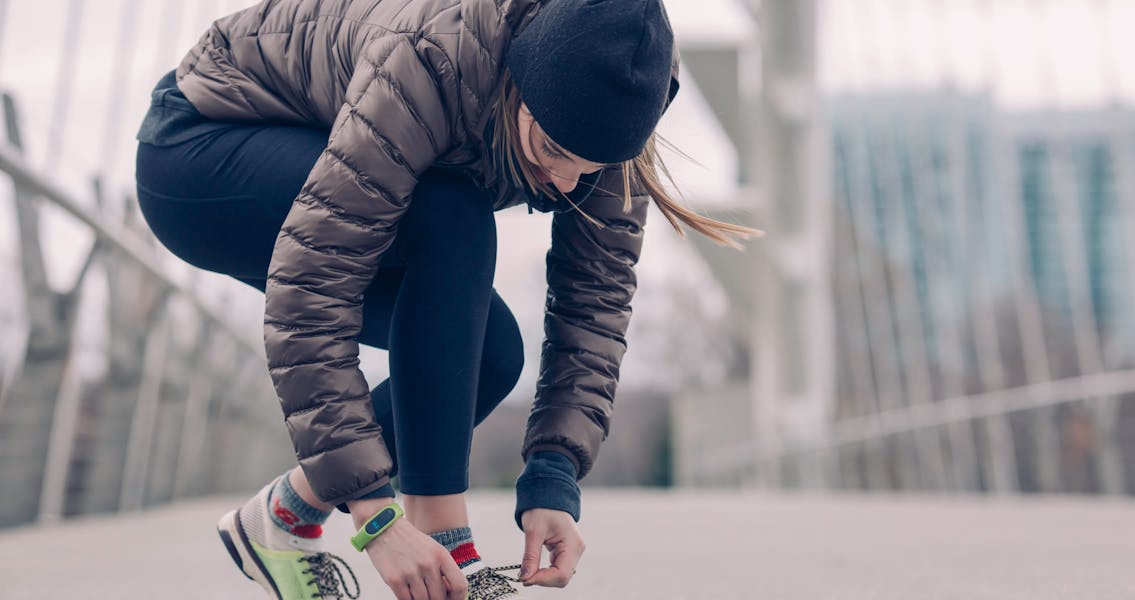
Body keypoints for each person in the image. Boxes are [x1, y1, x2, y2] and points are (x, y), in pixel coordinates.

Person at [133, 0, 762, 598]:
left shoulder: (623, 100)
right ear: (521, 84)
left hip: (336, 169)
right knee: (452, 211)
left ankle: (282, 518)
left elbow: (594, 302)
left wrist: (554, 474)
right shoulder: (433, 58)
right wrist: (376, 517)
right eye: (553, 151)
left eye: (591, 167)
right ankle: (450, 551)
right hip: (202, 146)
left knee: (486, 352)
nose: (570, 182)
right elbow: (311, 293)